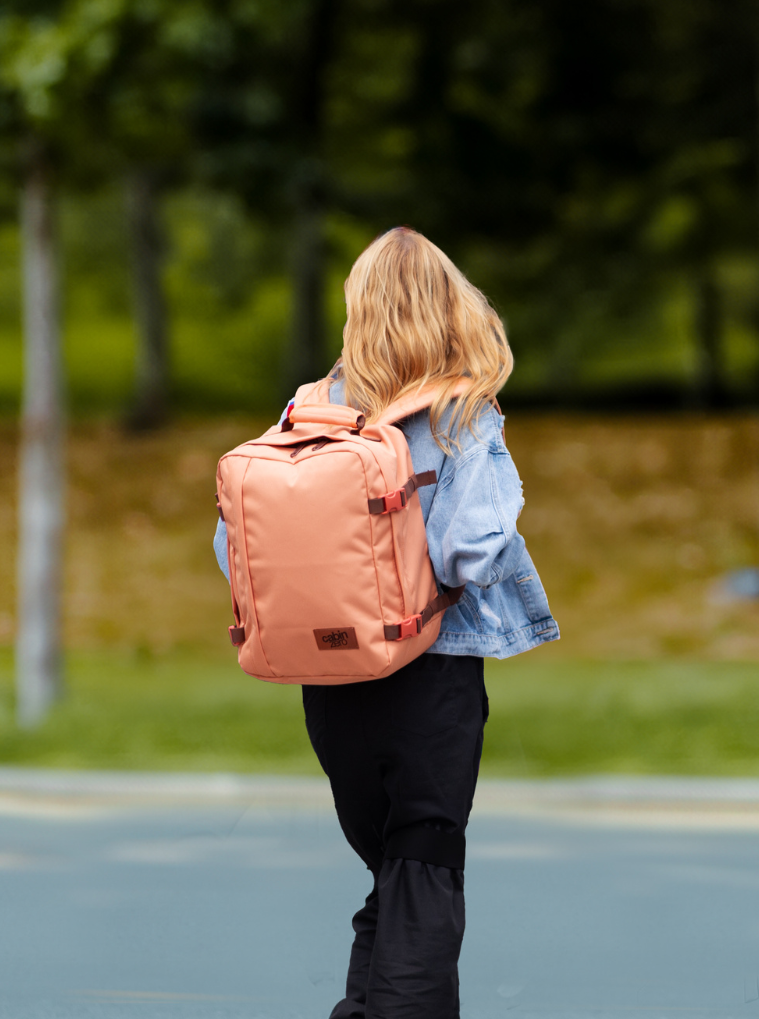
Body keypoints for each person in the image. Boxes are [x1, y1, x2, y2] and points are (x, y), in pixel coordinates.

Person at [213, 226, 558, 1019]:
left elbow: (235, 548)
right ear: (450, 306)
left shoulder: (309, 412)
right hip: (428, 677)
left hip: (331, 684)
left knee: (396, 874)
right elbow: (475, 549)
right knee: (426, 873)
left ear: (356, 310)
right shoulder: (462, 411)